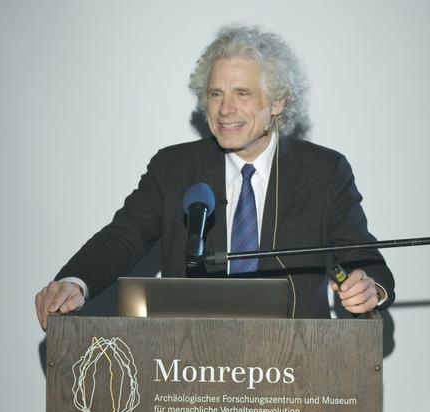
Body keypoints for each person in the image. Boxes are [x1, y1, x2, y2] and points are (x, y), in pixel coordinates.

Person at [36, 25, 394, 330]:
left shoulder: (323, 172)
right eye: (215, 94)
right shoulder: (173, 168)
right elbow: (123, 238)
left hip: (294, 372)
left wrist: (369, 288)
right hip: (189, 369)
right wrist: (74, 281)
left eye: (243, 94)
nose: (225, 110)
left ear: (277, 103)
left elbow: (364, 259)